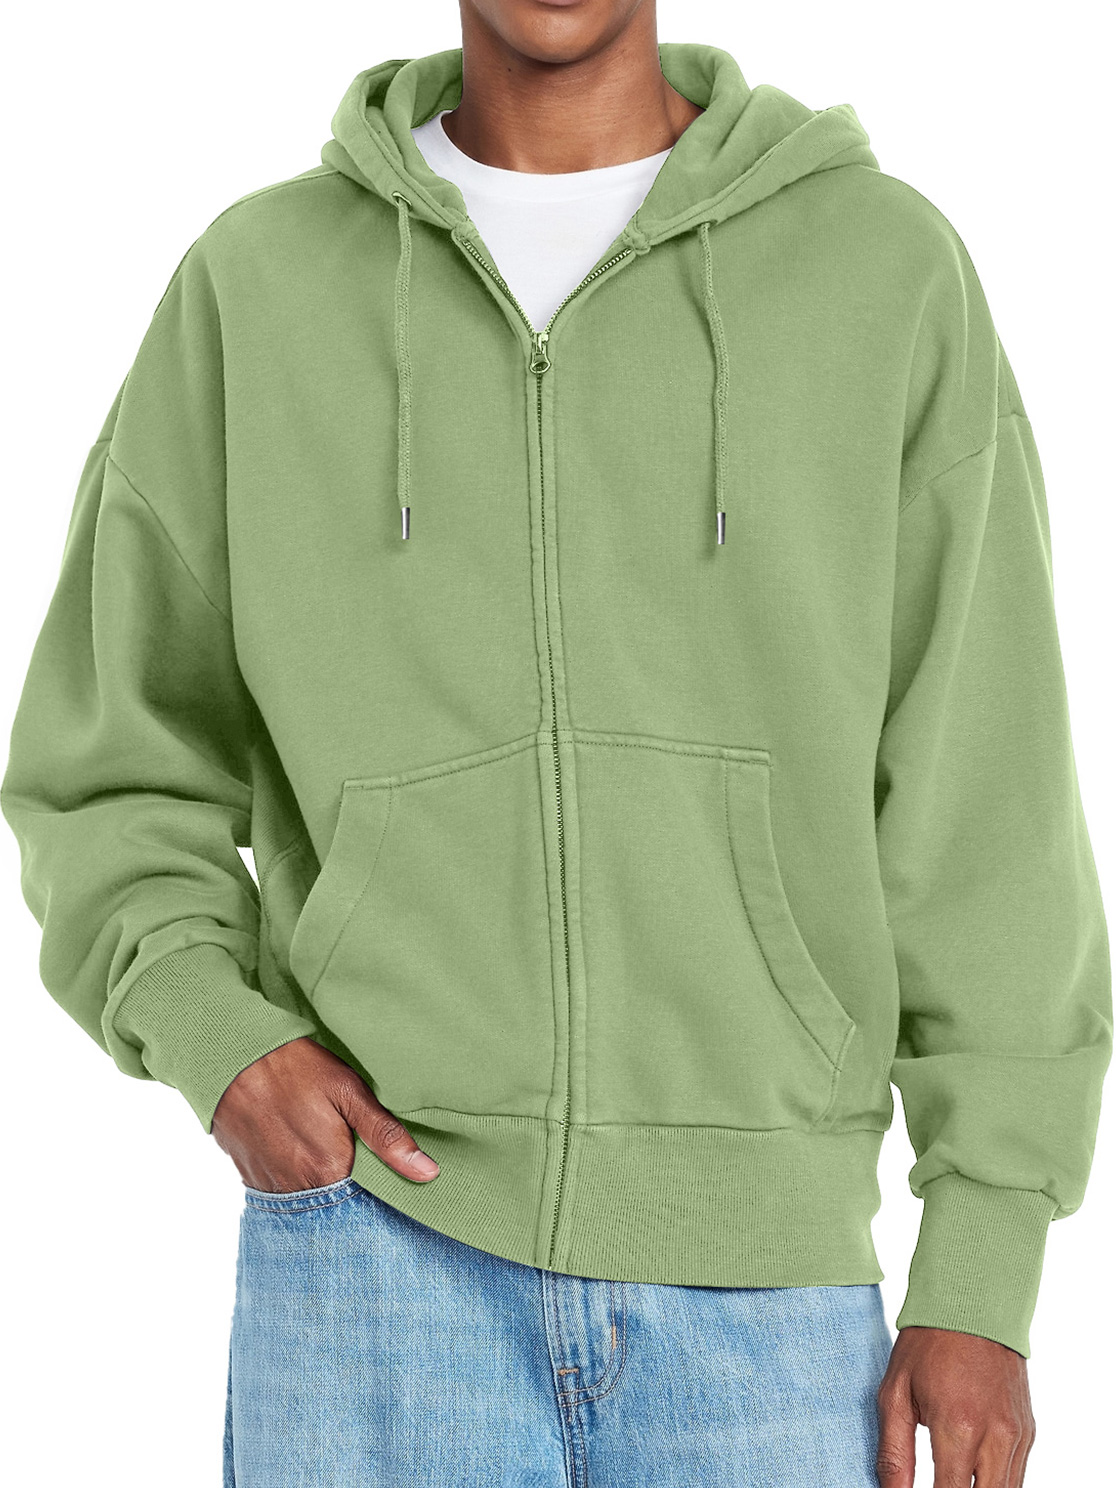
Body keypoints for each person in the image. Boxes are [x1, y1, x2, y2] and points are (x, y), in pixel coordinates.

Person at [2, 2, 1110, 1484]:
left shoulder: (882, 271)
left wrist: (984, 1259)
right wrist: (217, 1038)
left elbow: (987, 803)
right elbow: (106, 761)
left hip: (768, 1305)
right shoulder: (254, 288)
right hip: (374, 1265)